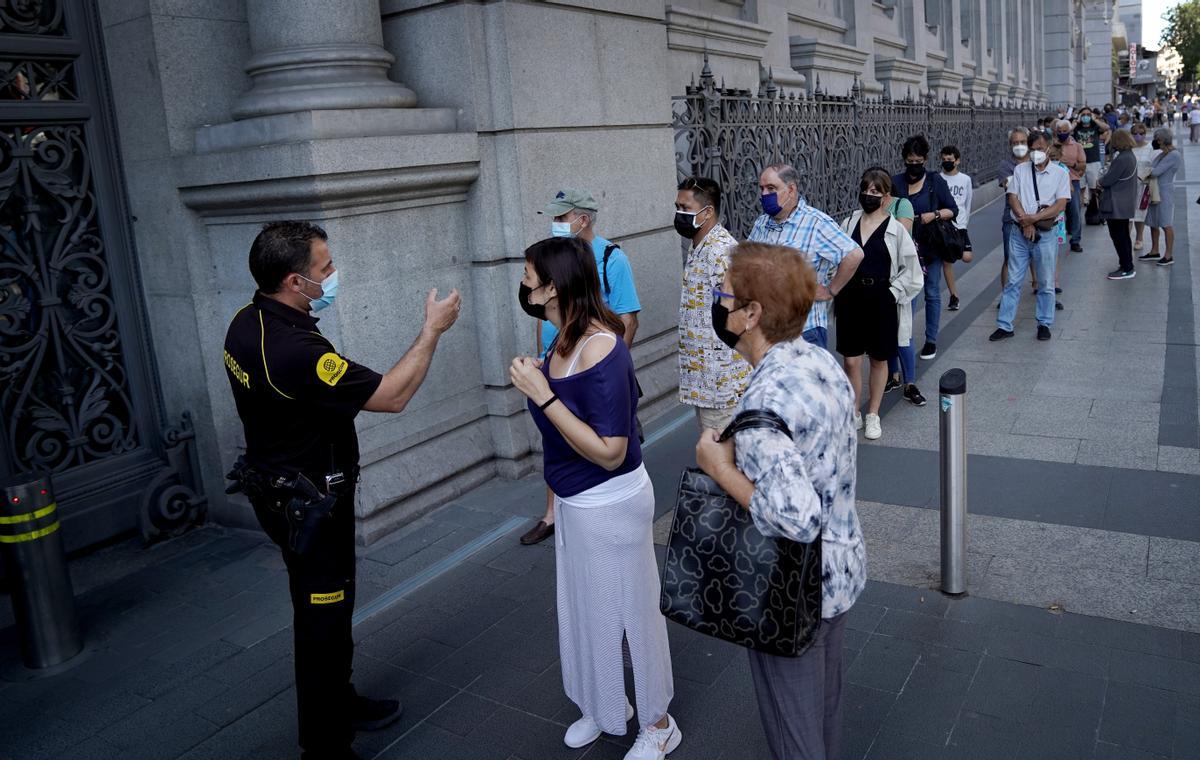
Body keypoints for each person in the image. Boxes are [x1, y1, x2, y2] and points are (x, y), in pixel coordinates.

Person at [223, 221, 462, 759]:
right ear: (293, 281)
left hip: (281, 491)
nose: (333, 276)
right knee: (321, 619)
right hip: (309, 505)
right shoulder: (294, 350)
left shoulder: (247, 321)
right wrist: (432, 331)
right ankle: (325, 746)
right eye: (324, 269)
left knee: (326, 610)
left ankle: (339, 698)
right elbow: (391, 396)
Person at [695, 242, 866, 760]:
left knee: (794, 732)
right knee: (823, 709)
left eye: (724, 296)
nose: (717, 305)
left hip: (793, 590)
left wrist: (720, 468)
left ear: (752, 315)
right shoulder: (818, 359)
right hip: (840, 572)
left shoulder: (766, 396)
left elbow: (795, 517)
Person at [510, 237, 679, 760]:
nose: (523, 283)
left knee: (632, 612)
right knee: (586, 610)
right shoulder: (559, 336)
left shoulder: (603, 345)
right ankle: (604, 705)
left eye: (529, 275)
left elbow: (610, 450)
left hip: (611, 501)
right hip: (574, 502)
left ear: (554, 286)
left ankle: (658, 722)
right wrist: (542, 379)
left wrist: (543, 395)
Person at [520, 188, 643, 547]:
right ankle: (552, 512)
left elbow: (628, 319)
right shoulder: (560, 327)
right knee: (559, 432)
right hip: (561, 361)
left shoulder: (610, 258)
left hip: (600, 500)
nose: (555, 224)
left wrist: (600, 372)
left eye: (561, 217)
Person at [836, 169, 924, 440]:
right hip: (851, 299)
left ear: (886, 197)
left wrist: (892, 293)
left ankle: (873, 413)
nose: (869, 196)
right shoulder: (848, 222)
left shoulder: (896, 229)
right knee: (851, 361)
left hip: (881, 300)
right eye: (866, 190)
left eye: (875, 192)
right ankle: (854, 412)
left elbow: (912, 271)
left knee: (878, 358)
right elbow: (836, 257)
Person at [747, 164, 865, 351]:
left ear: (791, 189)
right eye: (761, 189)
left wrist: (830, 290)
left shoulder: (816, 223)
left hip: (804, 331)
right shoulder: (762, 223)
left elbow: (854, 254)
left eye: (771, 188)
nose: (764, 194)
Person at [675, 176, 751, 431]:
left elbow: (738, 314)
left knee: (722, 458)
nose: (679, 214)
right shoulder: (699, 246)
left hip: (722, 382)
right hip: (706, 378)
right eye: (678, 206)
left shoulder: (721, 251)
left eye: (685, 208)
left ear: (707, 212)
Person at [990, 131, 1069, 342]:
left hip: (1045, 233)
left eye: (1040, 149)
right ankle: (1004, 325)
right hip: (1019, 231)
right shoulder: (1020, 170)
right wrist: (1023, 219)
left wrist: (1033, 219)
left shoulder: (1060, 173)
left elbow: (1060, 205)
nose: (1035, 153)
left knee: (1045, 281)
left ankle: (1044, 323)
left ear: (1049, 148)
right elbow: (1012, 196)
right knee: (1013, 280)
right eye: (1032, 149)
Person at [891, 134, 958, 361]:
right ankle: (905, 342)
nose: (914, 166)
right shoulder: (897, 182)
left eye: (918, 161)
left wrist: (934, 214)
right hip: (904, 250)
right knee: (906, 297)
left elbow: (952, 209)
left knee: (931, 292)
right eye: (910, 162)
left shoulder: (934, 181)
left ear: (925, 159)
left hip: (930, 247)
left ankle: (931, 339)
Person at [1096, 128, 1139, 280]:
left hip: (1117, 204)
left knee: (1119, 236)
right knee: (1123, 236)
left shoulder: (1122, 158)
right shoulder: (1129, 156)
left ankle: (1127, 267)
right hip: (1123, 202)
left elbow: (1108, 179)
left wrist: (1099, 181)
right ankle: (1126, 264)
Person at [996, 127, 1031, 300]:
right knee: (1009, 258)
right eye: (1016, 143)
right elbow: (1009, 187)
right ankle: (1006, 296)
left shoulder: (1036, 161)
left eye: (1023, 142)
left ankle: (1040, 287)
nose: (1019, 146)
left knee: (1037, 257)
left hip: (1036, 216)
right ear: (1010, 145)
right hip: (1011, 218)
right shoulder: (1005, 165)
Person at [1140, 128, 1183, 266]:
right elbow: (1151, 168)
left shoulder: (1173, 155)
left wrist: (1148, 171)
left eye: (1157, 139)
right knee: (1153, 222)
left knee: (1165, 223)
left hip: (1164, 191)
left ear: (1162, 140)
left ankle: (1169, 255)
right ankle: (1154, 251)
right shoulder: (1162, 154)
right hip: (1154, 190)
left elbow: (1155, 171)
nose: (1155, 141)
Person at [939, 144, 974, 311]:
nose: (947, 162)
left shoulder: (965, 179)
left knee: (967, 257)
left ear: (957, 161)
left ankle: (955, 251)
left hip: (961, 225)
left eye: (950, 160)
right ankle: (954, 296)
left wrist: (965, 222)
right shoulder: (939, 179)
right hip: (946, 226)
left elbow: (968, 203)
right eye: (944, 159)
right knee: (947, 262)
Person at [1054, 120, 1086, 253]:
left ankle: (1075, 240)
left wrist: (1071, 164)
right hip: (1055, 182)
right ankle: (1054, 238)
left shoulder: (1077, 146)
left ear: (1070, 131)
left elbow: (1083, 165)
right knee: (1055, 211)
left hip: (1073, 181)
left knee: (1075, 212)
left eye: (1064, 131)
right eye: (1059, 132)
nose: (1062, 134)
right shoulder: (1052, 145)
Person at [1073, 107, 1108, 205]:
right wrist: (1076, 121)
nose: (1086, 116)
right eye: (1083, 114)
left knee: (1095, 188)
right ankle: (1079, 211)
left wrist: (1095, 119)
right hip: (1079, 163)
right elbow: (1068, 130)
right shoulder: (1077, 127)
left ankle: (1096, 211)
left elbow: (1106, 128)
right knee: (1080, 188)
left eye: (1088, 114)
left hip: (1094, 161)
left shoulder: (1095, 127)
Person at [1130, 122, 1156, 252]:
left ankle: (1139, 238)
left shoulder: (1150, 148)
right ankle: (1126, 239)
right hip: (1128, 185)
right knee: (1128, 214)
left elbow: (1153, 167)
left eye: (1141, 133)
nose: (1138, 136)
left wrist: (1144, 177)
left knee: (1140, 214)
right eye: (1135, 134)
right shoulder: (1128, 148)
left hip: (1143, 185)